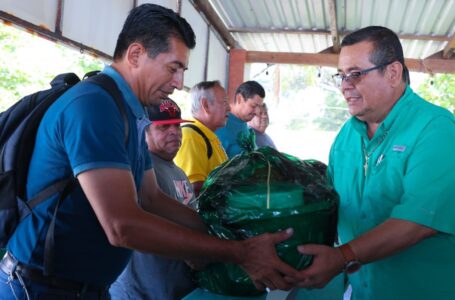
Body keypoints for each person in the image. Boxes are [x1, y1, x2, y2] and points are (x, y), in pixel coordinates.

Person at [0, 4, 297, 299]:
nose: (179, 83)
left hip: (84, 288)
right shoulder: (94, 106)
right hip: (37, 288)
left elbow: (152, 197)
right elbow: (122, 225)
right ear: (136, 54)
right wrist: (239, 252)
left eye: (182, 70)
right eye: (173, 68)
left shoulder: (127, 113)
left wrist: (220, 232)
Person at [290, 26, 455, 299]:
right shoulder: (347, 135)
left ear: (392, 73)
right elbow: (329, 203)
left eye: (355, 74)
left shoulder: (436, 129)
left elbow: (418, 221)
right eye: (341, 76)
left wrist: (341, 257)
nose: (345, 85)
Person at [110, 98, 196, 300]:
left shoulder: (179, 172)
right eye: (164, 127)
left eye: (177, 126)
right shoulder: (140, 170)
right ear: (144, 132)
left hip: (175, 287)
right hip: (141, 291)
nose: (174, 132)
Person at [174, 80, 229, 196]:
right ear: (206, 105)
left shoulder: (208, 136)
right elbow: (193, 189)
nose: (229, 108)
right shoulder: (191, 136)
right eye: (224, 102)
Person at [215, 81, 265, 158]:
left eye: (260, 107)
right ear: (239, 99)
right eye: (254, 106)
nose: (257, 112)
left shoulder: (246, 126)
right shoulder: (220, 124)